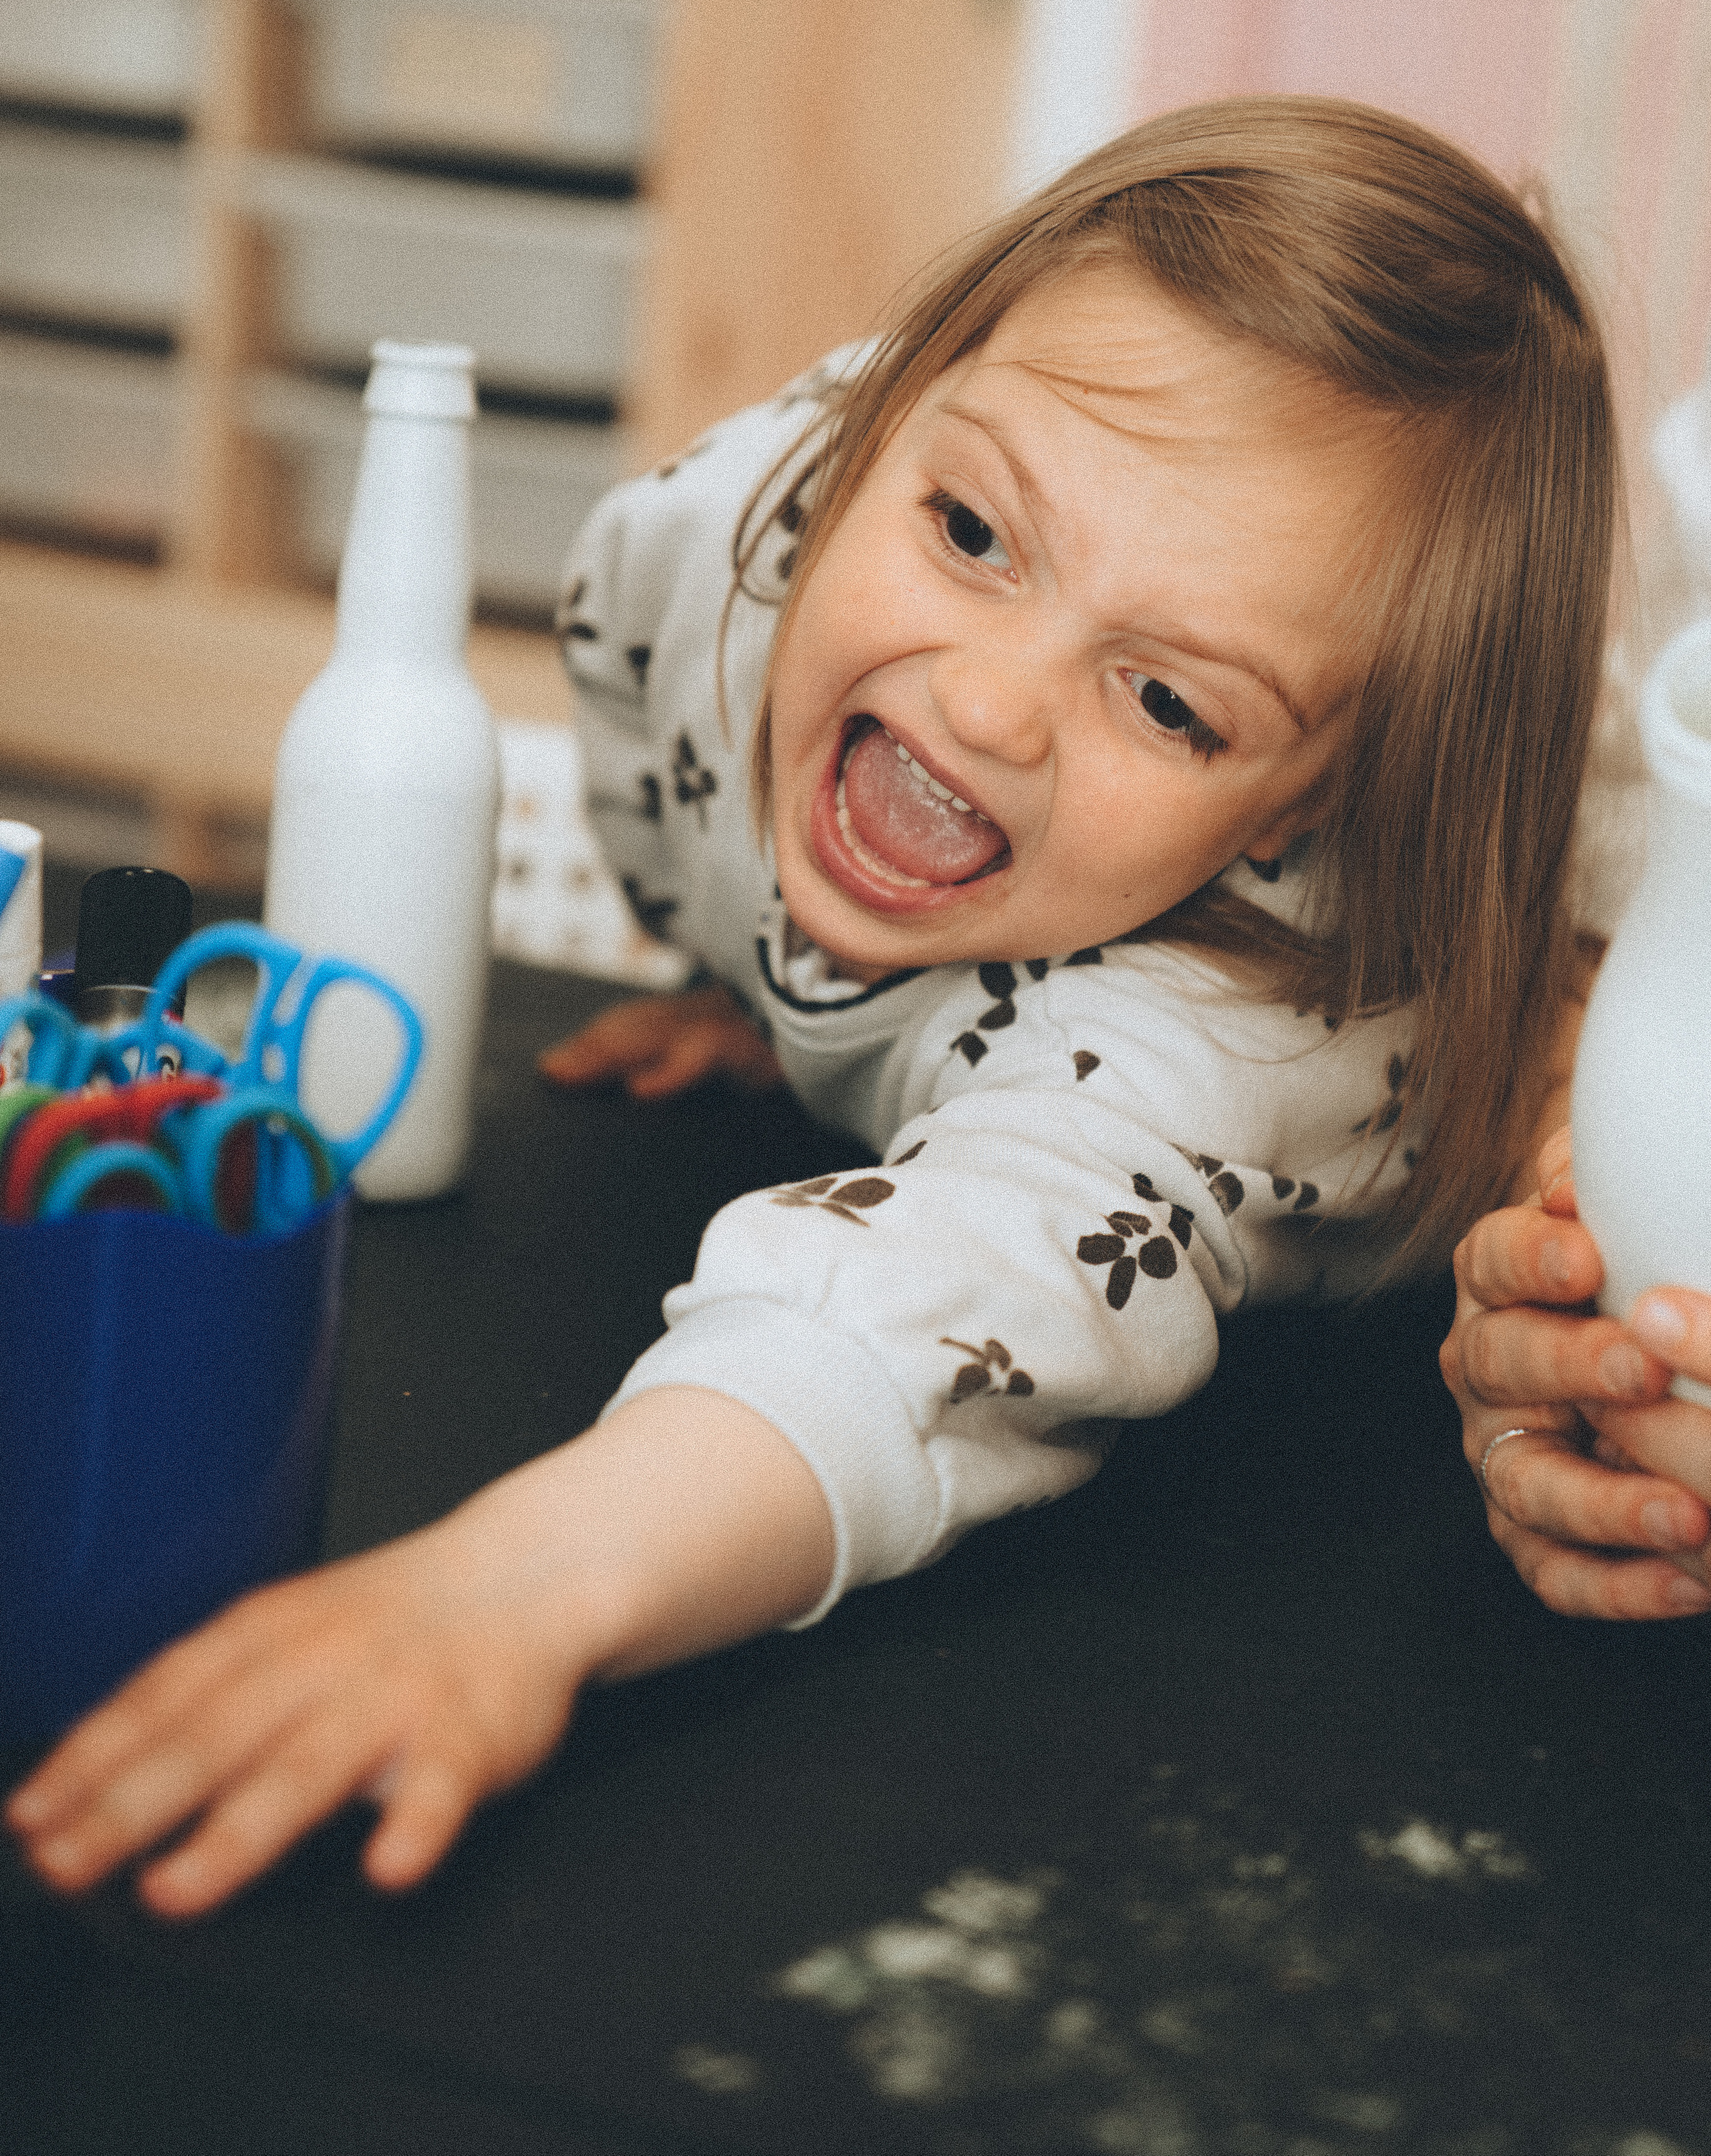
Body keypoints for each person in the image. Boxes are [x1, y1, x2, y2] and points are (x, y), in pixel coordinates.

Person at [8, 94, 1666, 1926]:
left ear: (1293, 814)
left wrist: (503, 1595)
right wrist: (769, 991)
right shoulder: (714, 541)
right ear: (874, 436)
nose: (991, 700)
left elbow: (914, 1319)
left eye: (1173, 706)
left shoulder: (1237, 1030)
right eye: (969, 529)